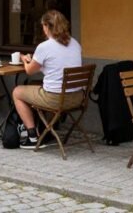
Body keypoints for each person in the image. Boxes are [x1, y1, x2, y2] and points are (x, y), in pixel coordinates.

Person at [12, 10, 82, 149]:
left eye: (43, 26)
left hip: (56, 99)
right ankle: (46, 130)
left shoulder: (44, 47)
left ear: (47, 26)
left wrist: (24, 59)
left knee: (17, 92)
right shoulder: (75, 43)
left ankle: (32, 136)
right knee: (40, 86)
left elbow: (30, 71)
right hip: (77, 98)